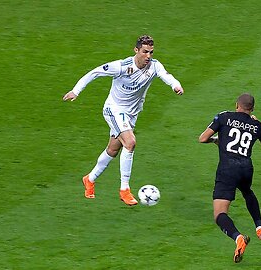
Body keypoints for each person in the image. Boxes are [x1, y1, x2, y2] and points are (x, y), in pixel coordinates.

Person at [63, 35, 184, 205]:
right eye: (144, 52)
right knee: (130, 142)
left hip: (131, 114)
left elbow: (167, 76)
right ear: (136, 50)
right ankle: (124, 189)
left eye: (151, 52)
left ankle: (89, 179)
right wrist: (76, 90)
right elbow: (95, 72)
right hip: (114, 110)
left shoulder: (154, 66)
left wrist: (175, 85)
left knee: (113, 150)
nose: (148, 56)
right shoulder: (121, 66)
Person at [199, 93, 261, 263]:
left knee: (219, 214)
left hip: (227, 169)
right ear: (252, 109)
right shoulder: (257, 125)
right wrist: (256, 123)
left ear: (236, 105)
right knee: (247, 191)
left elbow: (202, 138)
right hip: (246, 168)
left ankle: (238, 238)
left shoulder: (224, 117)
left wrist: (217, 140)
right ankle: (260, 227)